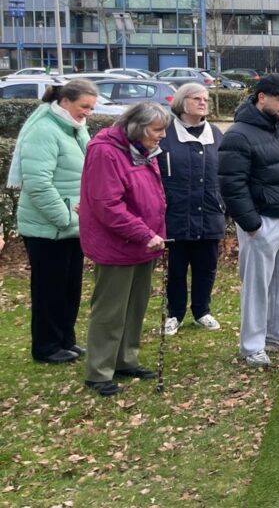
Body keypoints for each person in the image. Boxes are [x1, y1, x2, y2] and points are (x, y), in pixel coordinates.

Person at [79, 102, 172, 396]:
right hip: (118, 243)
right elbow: (107, 204)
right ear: (137, 127)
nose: (161, 136)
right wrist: (143, 232)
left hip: (144, 242)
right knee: (110, 309)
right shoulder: (105, 151)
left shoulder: (142, 150)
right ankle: (98, 371)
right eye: (157, 130)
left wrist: (152, 233)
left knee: (135, 305)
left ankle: (125, 358)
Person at [219, 74, 279, 367]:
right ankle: (252, 345)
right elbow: (231, 184)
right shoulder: (238, 135)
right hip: (262, 223)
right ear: (262, 97)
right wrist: (251, 223)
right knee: (257, 286)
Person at [11, 80, 94, 364]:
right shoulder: (44, 131)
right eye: (84, 106)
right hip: (47, 228)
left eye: (92, 108)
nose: (88, 113)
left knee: (69, 287)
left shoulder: (75, 129)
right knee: (49, 289)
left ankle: (65, 339)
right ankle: (46, 346)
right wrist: (66, 218)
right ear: (65, 102)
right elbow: (38, 184)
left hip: (72, 225)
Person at [158, 83, 224, 336]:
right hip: (175, 214)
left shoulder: (216, 134)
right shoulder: (165, 133)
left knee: (206, 266)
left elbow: (226, 172)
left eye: (205, 98)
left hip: (210, 214)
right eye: (196, 98)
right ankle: (174, 313)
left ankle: (202, 311)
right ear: (181, 102)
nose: (203, 102)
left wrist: (223, 204)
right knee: (175, 268)